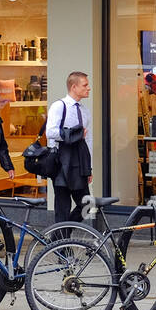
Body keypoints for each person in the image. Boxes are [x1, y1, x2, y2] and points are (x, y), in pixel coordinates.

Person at [46, 71, 93, 222]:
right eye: (85, 85)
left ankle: (59, 238)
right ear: (74, 87)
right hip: (63, 163)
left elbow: (88, 141)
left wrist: (89, 168)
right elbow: (50, 132)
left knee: (88, 206)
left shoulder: (85, 111)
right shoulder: (59, 106)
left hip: (79, 163)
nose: (89, 88)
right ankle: (61, 243)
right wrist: (74, 134)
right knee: (62, 208)